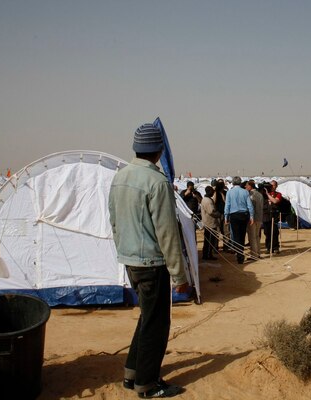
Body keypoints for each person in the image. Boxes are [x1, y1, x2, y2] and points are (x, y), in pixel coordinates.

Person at [108, 122, 189, 399]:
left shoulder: (120, 177)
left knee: (147, 317)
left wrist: (125, 252)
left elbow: (115, 222)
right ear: (158, 151)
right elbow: (167, 234)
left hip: (131, 262)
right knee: (157, 324)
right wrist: (179, 275)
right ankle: (147, 384)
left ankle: (132, 374)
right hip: (153, 264)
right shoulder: (157, 182)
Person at [224, 176, 254, 264]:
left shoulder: (229, 193)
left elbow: (227, 205)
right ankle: (240, 254)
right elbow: (250, 205)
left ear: (233, 183)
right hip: (244, 215)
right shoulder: (245, 192)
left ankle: (239, 255)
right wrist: (251, 216)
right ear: (240, 183)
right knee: (242, 235)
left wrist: (226, 216)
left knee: (236, 235)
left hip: (234, 215)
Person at [201, 186, 221, 260]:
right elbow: (211, 211)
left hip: (209, 223)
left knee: (209, 240)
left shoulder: (207, 199)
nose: (213, 193)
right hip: (209, 223)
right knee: (209, 240)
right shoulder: (207, 201)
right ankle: (207, 255)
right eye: (212, 191)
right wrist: (218, 214)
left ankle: (207, 254)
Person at [245, 179, 264, 259]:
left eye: (246, 185)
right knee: (256, 236)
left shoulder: (251, 195)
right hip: (259, 218)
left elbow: (251, 207)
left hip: (253, 218)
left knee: (252, 237)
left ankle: (254, 255)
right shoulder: (260, 194)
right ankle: (258, 253)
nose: (245, 187)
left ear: (250, 186)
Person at [266, 180, 282, 254]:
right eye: (271, 185)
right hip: (266, 215)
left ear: (276, 186)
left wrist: (268, 195)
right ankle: (269, 247)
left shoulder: (278, 194)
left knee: (275, 232)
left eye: (274, 185)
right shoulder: (265, 193)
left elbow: (275, 201)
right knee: (267, 232)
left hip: (274, 215)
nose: (272, 187)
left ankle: (276, 247)